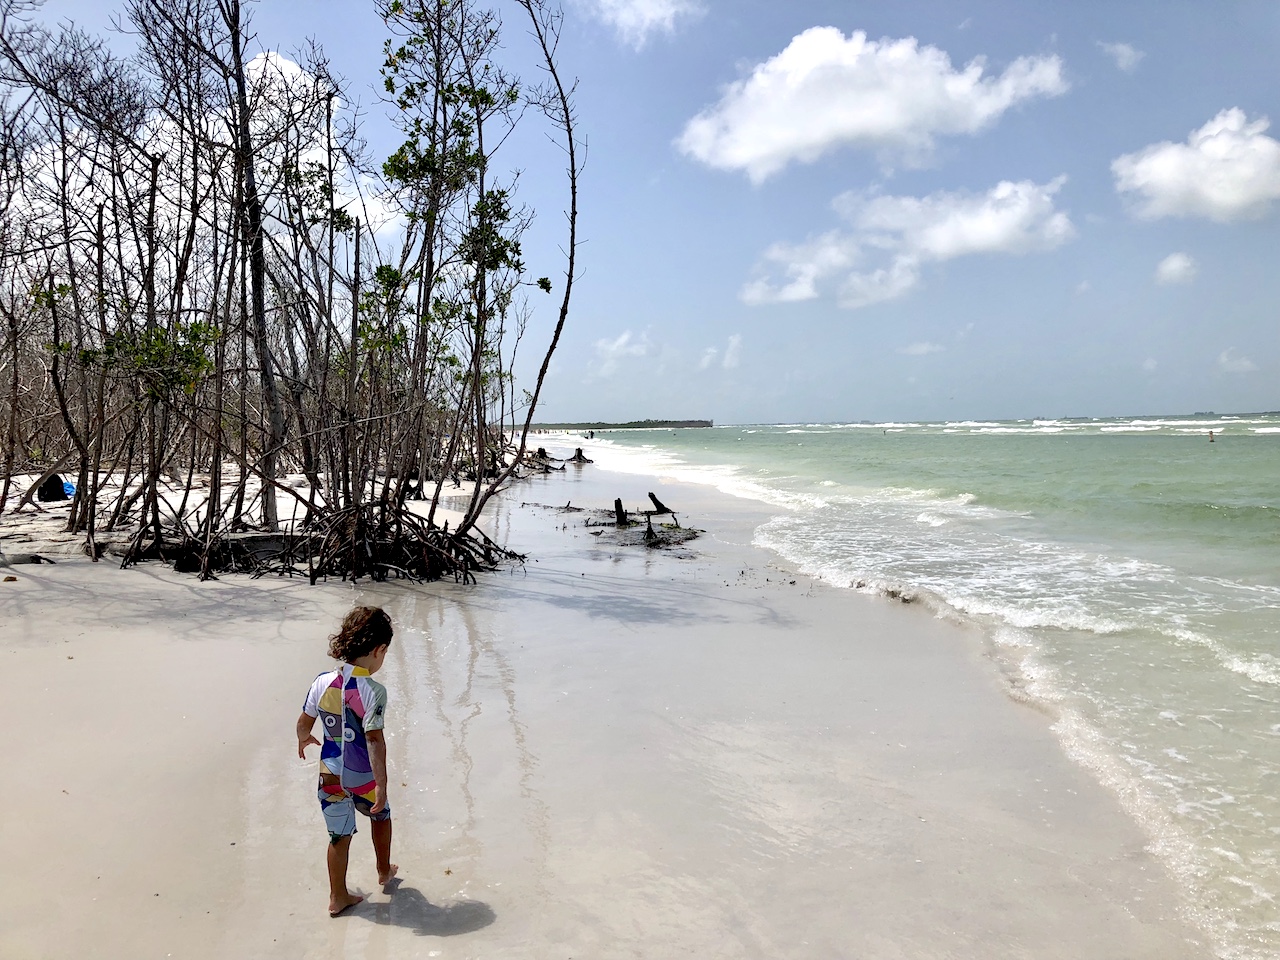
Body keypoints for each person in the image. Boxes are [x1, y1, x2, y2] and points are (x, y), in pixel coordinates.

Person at [296, 606, 398, 916]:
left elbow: (303, 723)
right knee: (381, 816)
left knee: (338, 836)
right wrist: (381, 783)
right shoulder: (372, 691)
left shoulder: (322, 682)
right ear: (379, 650)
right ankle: (383, 870)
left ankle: (337, 896)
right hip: (362, 775)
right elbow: (374, 740)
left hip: (329, 772)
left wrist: (303, 739)